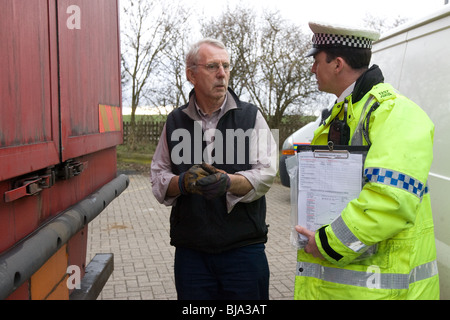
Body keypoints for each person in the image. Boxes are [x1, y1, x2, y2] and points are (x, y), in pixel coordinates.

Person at [294, 22, 439, 300]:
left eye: (316, 60)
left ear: (337, 64)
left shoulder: (394, 112)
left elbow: (389, 202)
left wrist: (326, 242)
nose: (312, 69)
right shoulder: (347, 110)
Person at [151, 38, 277, 300]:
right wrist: (183, 183)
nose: (222, 74)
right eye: (212, 66)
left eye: (226, 66)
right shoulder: (176, 121)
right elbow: (158, 176)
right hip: (192, 255)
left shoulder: (250, 116)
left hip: (244, 251)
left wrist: (229, 182)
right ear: (191, 74)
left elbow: (267, 172)